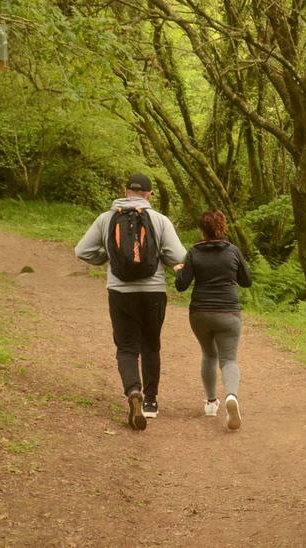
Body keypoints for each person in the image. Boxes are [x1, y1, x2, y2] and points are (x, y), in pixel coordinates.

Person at [76, 173, 186, 431]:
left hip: (120, 292)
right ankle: (149, 402)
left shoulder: (106, 219)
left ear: (125, 191)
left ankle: (132, 391)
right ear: (149, 195)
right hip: (153, 292)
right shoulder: (159, 220)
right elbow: (178, 255)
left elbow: (82, 250)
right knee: (151, 345)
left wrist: (106, 257)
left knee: (126, 347)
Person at [173, 209, 252, 431]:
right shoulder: (233, 251)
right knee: (228, 359)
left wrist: (179, 270)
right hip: (228, 313)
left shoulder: (194, 252)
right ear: (223, 228)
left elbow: (181, 286)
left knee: (209, 354)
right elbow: (247, 281)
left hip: (200, 313)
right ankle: (231, 397)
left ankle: (210, 403)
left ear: (202, 231)